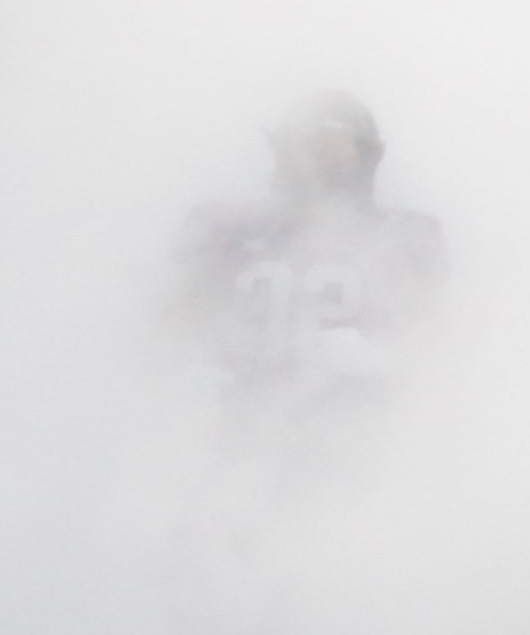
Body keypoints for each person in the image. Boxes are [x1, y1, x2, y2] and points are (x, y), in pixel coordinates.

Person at [176, 90, 446, 402]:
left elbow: (436, 352)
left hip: (352, 428)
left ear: (365, 158)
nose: (318, 165)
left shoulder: (403, 238)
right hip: (235, 424)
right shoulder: (225, 231)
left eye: (335, 152)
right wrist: (192, 372)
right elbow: (177, 325)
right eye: (307, 147)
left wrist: (379, 363)